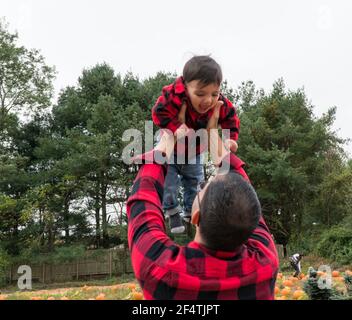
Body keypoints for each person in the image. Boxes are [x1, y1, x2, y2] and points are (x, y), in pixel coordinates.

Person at [127, 105, 279, 300]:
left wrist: (168, 137)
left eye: (203, 188)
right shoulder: (265, 264)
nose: (201, 185)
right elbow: (244, 200)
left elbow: (143, 201)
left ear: (197, 215)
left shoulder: (162, 272)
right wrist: (213, 132)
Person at [151, 55, 240, 233]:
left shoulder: (219, 102)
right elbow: (158, 113)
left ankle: (190, 211)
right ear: (186, 87)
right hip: (172, 149)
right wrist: (175, 127)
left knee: (194, 181)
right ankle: (172, 210)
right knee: (169, 181)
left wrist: (230, 138)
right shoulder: (174, 96)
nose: (208, 100)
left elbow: (230, 117)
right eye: (200, 94)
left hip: (195, 151)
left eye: (214, 94)